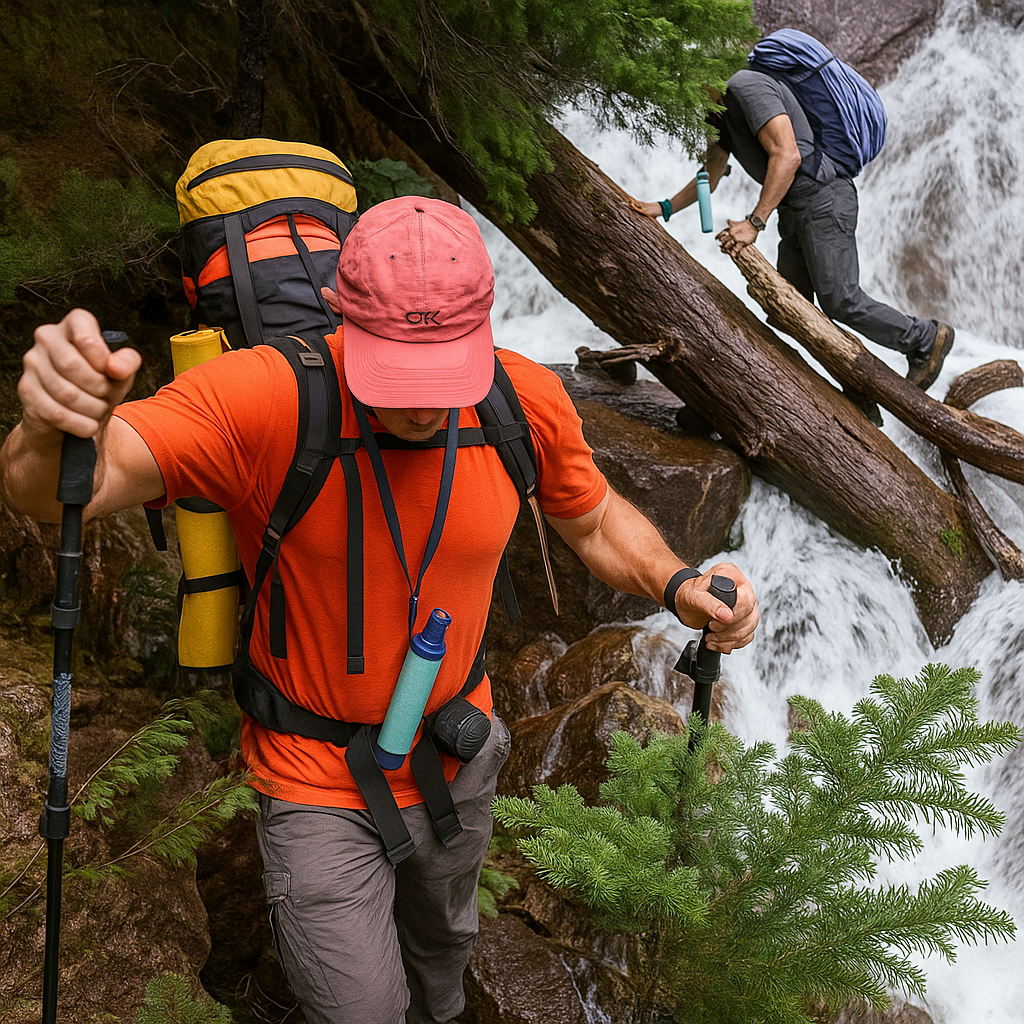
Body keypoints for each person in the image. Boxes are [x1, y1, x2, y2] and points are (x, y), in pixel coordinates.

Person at [0, 196, 760, 1024]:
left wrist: (678, 582)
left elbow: (596, 519)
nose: (425, 406)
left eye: (446, 375)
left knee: (445, 955)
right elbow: (68, 488)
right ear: (340, 314)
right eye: (399, 374)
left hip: (456, 753)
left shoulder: (521, 401)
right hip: (313, 776)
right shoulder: (267, 398)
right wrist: (50, 427)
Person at [632, 68, 955, 392]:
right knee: (786, 311)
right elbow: (710, 175)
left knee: (840, 300)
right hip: (793, 210)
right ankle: (855, 390)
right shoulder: (717, 117)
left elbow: (788, 156)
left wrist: (754, 223)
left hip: (824, 198)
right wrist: (664, 207)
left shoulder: (746, 86)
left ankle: (925, 338)